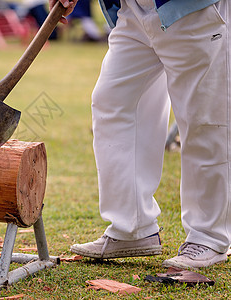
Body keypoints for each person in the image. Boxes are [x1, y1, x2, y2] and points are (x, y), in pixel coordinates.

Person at [51, 0, 231, 269]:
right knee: (113, 102)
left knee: (204, 118)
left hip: (192, 8)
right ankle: (132, 226)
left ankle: (209, 236)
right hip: (132, 10)